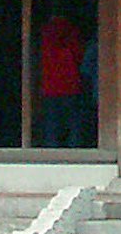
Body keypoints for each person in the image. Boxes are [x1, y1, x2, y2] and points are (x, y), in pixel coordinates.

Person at [36, 9, 91, 151]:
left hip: (49, 85)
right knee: (73, 122)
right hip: (71, 84)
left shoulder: (45, 32)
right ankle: (75, 149)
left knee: (51, 123)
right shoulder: (73, 32)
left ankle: (51, 151)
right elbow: (80, 56)